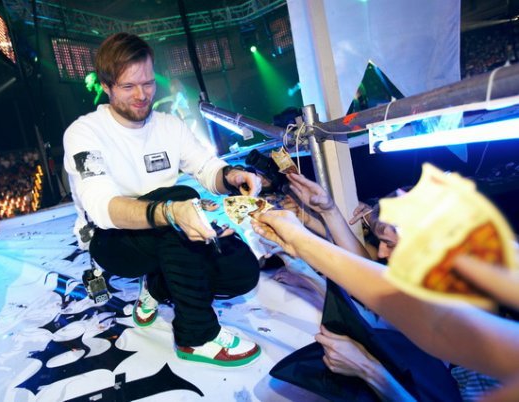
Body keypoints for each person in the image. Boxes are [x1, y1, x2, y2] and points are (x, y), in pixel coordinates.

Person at [63, 32, 263, 367]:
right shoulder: (84, 133)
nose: (141, 95)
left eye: (147, 83)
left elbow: (206, 167)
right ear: (106, 86)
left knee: (242, 271)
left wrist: (231, 176)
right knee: (181, 199)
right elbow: (101, 207)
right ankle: (196, 335)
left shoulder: (169, 125)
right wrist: (171, 212)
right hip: (112, 239)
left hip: (169, 228)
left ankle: (156, 287)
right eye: (128, 86)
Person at [252, 194, 519, 400]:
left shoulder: (486, 362)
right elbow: (375, 301)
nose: (380, 254)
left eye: (390, 243)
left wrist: (368, 369)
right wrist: (305, 261)